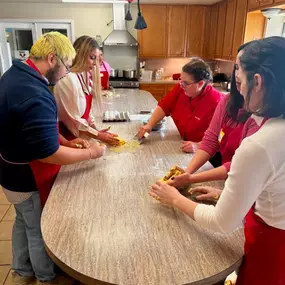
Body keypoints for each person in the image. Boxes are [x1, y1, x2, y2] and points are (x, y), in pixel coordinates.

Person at [150, 36, 285, 285]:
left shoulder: (259, 143)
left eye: (241, 81)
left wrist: (176, 199)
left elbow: (222, 222)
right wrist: (226, 194)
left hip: (273, 245)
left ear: (258, 81)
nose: (239, 89)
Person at [0, 32, 106, 285]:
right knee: (36, 229)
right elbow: (48, 154)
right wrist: (91, 153)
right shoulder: (35, 92)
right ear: (51, 58)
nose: (66, 74)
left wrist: (67, 141)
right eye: (66, 67)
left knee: (22, 221)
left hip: (7, 170)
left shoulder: (14, 74)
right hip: (25, 175)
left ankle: (22, 269)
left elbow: (34, 132)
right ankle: (46, 277)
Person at [170, 42, 260, 188]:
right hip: (228, 182)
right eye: (236, 67)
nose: (237, 74)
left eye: (242, 68)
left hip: (248, 186)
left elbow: (240, 165)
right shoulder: (227, 102)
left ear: (258, 79)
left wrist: (191, 178)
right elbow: (211, 139)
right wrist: (188, 172)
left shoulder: (261, 117)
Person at [138, 57, 223, 144]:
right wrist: (149, 125)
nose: (181, 85)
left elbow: (221, 137)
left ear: (200, 83)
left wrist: (198, 146)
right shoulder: (180, 88)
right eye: (181, 80)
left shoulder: (218, 102)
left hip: (203, 152)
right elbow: (164, 106)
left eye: (186, 83)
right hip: (182, 142)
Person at [54, 36, 119, 145]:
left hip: (82, 139)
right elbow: (75, 120)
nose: (95, 63)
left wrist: (96, 130)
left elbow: (88, 114)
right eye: (92, 57)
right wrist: (98, 135)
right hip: (69, 140)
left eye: (97, 59)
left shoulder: (83, 76)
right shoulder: (67, 79)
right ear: (80, 54)